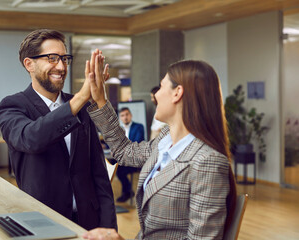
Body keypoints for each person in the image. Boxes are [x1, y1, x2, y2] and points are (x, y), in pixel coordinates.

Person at [83, 57, 237, 239]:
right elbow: (125, 151)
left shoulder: (207, 161)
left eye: (161, 87)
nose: (155, 95)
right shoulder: (165, 140)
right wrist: (101, 100)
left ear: (177, 93)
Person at [0, 29, 117, 231]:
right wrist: (81, 98)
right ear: (29, 64)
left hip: (89, 222)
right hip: (43, 222)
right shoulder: (12, 105)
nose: (61, 67)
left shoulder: (83, 106)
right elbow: (31, 138)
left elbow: (99, 173)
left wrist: (109, 227)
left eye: (64, 59)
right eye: (52, 58)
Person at [116, 107, 144, 202]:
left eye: (127, 114)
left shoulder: (139, 127)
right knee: (114, 167)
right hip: (122, 159)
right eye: (122, 115)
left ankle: (127, 192)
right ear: (120, 118)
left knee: (119, 171)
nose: (125, 117)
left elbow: (136, 142)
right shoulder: (118, 129)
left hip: (135, 160)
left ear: (131, 115)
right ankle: (127, 192)